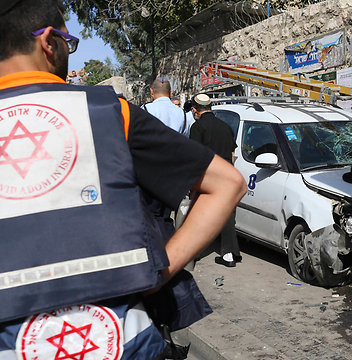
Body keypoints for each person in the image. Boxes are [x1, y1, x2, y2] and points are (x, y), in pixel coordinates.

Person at [0, 1, 246, 360]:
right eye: (70, 41)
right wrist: (160, 271)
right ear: (49, 42)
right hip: (120, 340)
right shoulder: (109, 113)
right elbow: (228, 184)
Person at [190, 94, 242, 267]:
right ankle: (229, 255)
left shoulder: (198, 127)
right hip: (226, 176)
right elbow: (232, 155)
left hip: (207, 177)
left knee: (198, 215)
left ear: (195, 110)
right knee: (227, 215)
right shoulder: (226, 126)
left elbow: (195, 157)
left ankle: (193, 253)